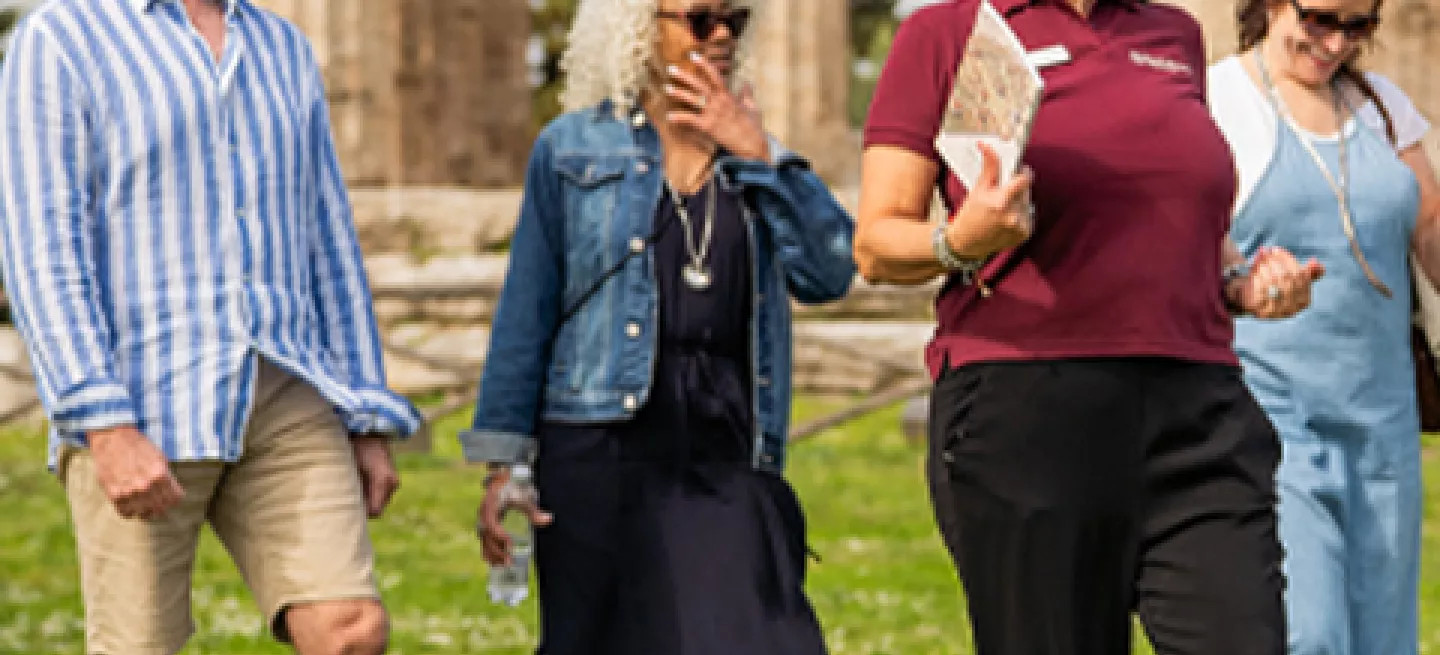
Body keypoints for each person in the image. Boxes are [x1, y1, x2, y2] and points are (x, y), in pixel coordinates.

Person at [856, 0, 1327, 653]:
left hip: (1199, 410)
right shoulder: (949, 34)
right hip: (1027, 408)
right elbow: (877, 242)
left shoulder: (1172, 33)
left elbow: (1176, 212)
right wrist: (962, 241)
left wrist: (1239, 283)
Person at [0, 1, 421, 653]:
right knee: (138, 644)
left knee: (350, 631)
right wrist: (103, 422)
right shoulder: (59, 38)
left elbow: (327, 238)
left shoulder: (283, 46)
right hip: (144, 399)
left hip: (285, 383)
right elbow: (42, 244)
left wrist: (365, 412)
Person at [460, 0, 855, 652]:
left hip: (724, 446)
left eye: (737, 19)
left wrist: (759, 151)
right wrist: (504, 465)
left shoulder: (756, 156)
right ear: (640, 27)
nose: (723, 34)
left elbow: (831, 270)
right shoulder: (570, 148)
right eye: (702, 20)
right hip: (598, 448)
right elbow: (526, 311)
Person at [1207, 0, 1440, 650]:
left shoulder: (1383, 105)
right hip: (1271, 421)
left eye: (1358, 26)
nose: (1336, 43)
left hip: (1383, 425)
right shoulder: (1218, 100)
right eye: (1319, 19)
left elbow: (1429, 228)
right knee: (1308, 635)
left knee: (1384, 639)